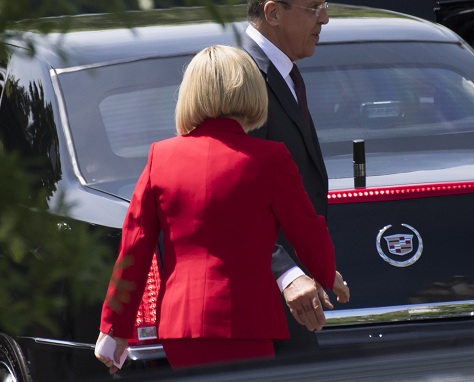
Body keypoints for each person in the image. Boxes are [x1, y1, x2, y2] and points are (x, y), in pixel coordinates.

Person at [94, 45, 349, 373]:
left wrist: (114, 329)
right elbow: (306, 227)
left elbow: (134, 249)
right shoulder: (270, 158)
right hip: (247, 321)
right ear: (251, 91)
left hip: (182, 324)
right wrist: (327, 273)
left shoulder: (161, 156)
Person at [240, 0, 345, 353]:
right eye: (314, 8)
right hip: (264, 299)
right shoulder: (243, 76)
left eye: (325, 6)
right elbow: (236, 193)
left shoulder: (284, 71)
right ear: (273, 13)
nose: (325, 19)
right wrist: (285, 272)